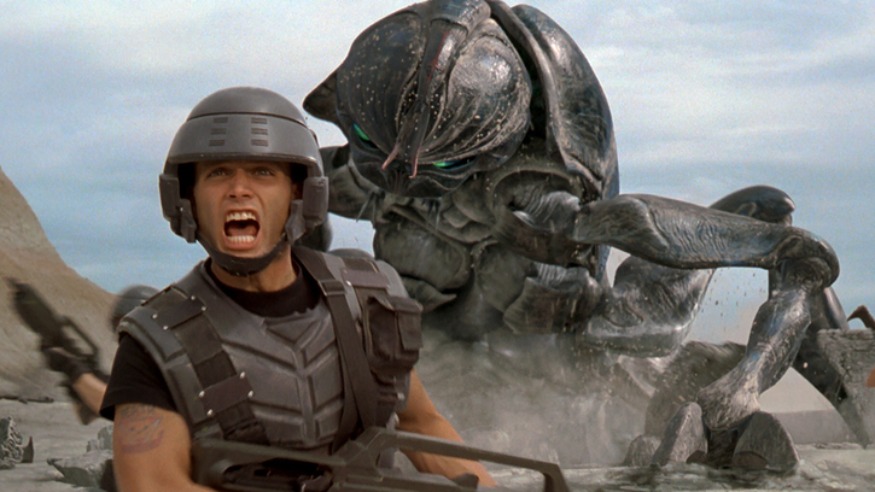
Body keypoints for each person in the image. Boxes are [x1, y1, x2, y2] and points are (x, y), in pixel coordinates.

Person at [99, 86, 495, 491]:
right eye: (217, 173)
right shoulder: (156, 340)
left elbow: (420, 424)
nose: (238, 189)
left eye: (263, 173)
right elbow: (155, 486)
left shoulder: (367, 299)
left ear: (300, 192)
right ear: (188, 198)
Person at [39, 284, 158, 423]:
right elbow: (86, 416)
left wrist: (73, 370)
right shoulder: (135, 370)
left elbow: (124, 410)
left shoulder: (162, 371)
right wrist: (79, 386)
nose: (121, 336)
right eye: (118, 327)